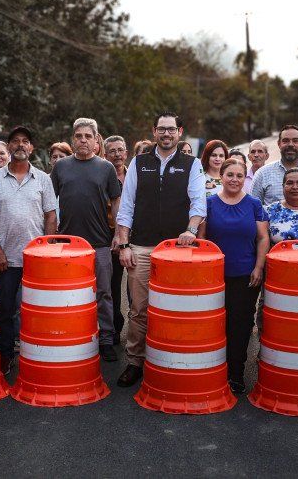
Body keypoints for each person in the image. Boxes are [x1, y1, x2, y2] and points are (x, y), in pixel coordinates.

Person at [114, 111, 206, 387]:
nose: (166, 134)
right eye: (161, 129)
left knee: (175, 309)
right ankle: (134, 361)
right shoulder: (139, 163)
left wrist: (191, 229)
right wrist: (124, 244)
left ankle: (171, 359)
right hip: (141, 247)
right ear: (154, 131)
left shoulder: (192, 164)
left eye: (171, 130)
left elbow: (198, 203)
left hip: (177, 251)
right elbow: (126, 206)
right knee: (139, 309)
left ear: (180, 132)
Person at [0, 126, 57, 375]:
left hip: (36, 259)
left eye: (25, 141)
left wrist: (45, 251)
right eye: (15, 141)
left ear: (32, 148)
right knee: (4, 310)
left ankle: (37, 355)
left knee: (37, 310)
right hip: (6, 259)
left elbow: (51, 216)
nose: (20, 145)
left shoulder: (44, 179)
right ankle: (5, 355)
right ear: (9, 146)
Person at [52, 118, 122, 361]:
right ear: (73, 139)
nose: (83, 140)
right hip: (67, 245)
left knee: (103, 293)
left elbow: (116, 201)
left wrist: (120, 235)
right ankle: (73, 335)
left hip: (100, 242)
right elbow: (51, 202)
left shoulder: (106, 168)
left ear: (96, 140)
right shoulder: (61, 167)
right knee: (68, 294)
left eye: (87, 136)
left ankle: (106, 339)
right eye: (79, 136)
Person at [198, 158, 269, 394]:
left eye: (240, 176)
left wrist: (259, 267)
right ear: (221, 176)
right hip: (214, 277)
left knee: (240, 324)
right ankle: (212, 370)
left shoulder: (254, 204)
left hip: (245, 275)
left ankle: (236, 373)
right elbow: (202, 240)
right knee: (214, 324)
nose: (235, 180)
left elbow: (262, 238)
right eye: (230, 175)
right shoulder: (209, 203)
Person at [251, 125, 298, 206]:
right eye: (285, 141)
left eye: (295, 140)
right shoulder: (262, 174)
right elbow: (254, 209)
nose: (290, 144)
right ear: (279, 144)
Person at [104, 135, 130, 343]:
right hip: (108, 237)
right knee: (111, 287)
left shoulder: (134, 176)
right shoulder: (101, 175)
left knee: (134, 288)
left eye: (120, 150)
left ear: (126, 153)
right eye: (112, 151)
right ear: (105, 154)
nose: (117, 155)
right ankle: (113, 329)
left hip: (134, 238)